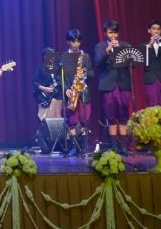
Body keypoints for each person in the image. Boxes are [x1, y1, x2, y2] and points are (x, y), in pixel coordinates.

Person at [93, 20, 133, 155]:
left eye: (115, 32)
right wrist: (107, 50)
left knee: (123, 115)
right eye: (110, 33)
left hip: (123, 84)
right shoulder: (100, 47)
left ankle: (124, 147)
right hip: (108, 85)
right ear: (105, 33)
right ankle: (114, 146)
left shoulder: (125, 45)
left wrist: (129, 57)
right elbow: (97, 64)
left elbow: (134, 64)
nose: (113, 35)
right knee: (110, 116)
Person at [63, 29, 94, 157]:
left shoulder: (85, 56)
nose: (76, 44)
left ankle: (84, 147)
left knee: (85, 120)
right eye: (73, 41)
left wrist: (85, 72)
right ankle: (73, 147)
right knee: (72, 121)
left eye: (78, 41)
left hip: (83, 92)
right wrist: (66, 89)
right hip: (71, 92)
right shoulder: (64, 57)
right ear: (68, 42)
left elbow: (92, 73)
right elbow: (60, 77)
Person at [32, 47, 62, 154]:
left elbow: (61, 81)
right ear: (44, 57)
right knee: (46, 121)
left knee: (57, 120)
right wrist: (44, 88)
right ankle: (42, 142)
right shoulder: (40, 68)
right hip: (45, 97)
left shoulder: (58, 68)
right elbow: (34, 82)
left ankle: (57, 145)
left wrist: (56, 85)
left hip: (57, 96)